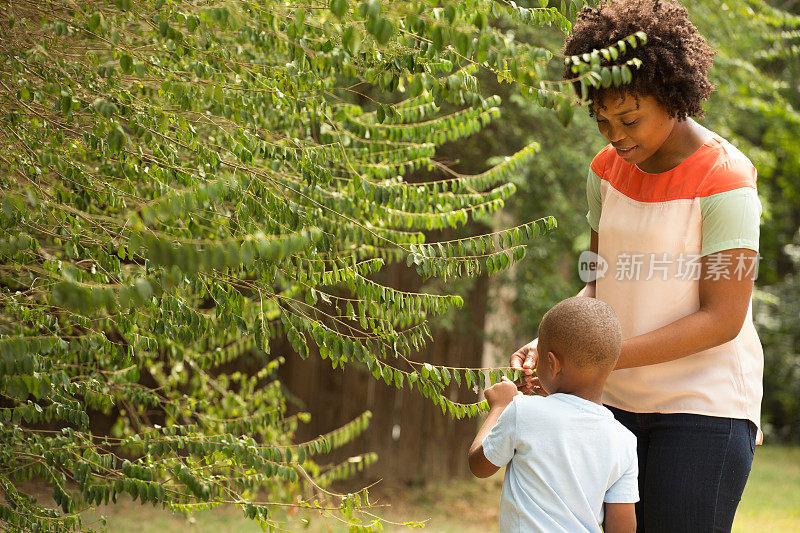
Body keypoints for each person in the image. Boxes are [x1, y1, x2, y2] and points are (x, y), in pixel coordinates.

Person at [511, 1, 763, 531]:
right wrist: (554, 344)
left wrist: (599, 356)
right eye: (601, 119)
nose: (615, 135)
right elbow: (600, 282)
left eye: (629, 118)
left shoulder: (726, 179)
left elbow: (723, 317)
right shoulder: (605, 170)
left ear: (672, 97)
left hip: (704, 407)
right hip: (612, 401)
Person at [469, 296, 638, 533]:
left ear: (552, 363)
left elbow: (480, 465)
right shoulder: (625, 440)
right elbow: (623, 528)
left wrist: (500, 406)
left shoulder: (523, 412)